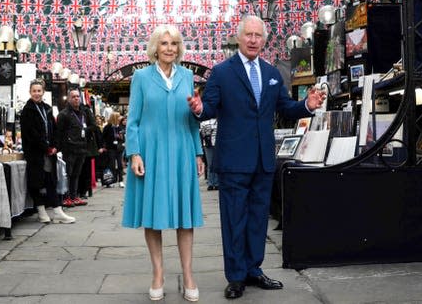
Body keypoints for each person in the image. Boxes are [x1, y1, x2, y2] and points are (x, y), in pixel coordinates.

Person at [187, 15, 326, 300]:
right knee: (234, 220)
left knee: (257, 219)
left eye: (257, 36)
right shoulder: (222, 72)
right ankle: (236, 277)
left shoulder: (272, 72)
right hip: (233, 162)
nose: (252, 40)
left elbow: (285, 107)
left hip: (263, 161)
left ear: (264, 40)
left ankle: (254, 269)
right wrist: (200, 108)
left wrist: (307, 106)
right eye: (248, 35)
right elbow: (210, 108)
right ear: (239, 38)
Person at [122, 24, 205, 302]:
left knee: (185, 216)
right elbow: (132, 120)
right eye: (164, 43)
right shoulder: (141, 77)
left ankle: (188, 274)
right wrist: (134, 153)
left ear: (179, 48)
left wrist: (197, 153)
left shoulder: (188, 75)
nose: (169, 48)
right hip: (151, 151)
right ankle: (158, 273)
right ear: (155, 48)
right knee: (153, 216)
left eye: (174, 43)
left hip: (182, 150)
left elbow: (193, 119)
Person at [20, 79, 75, 224]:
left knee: (51, 181)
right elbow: (30, 134)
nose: (37, 93)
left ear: (43, 92)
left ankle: (57, 211)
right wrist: (46, 147)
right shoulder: (27, 110)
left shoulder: (47, 108)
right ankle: (42, 211)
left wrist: (56, 146)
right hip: (35, 153)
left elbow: (55, 129)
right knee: (36, 183)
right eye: (34, 91)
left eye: (39, 91)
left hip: (49, 153)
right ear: (30, 92)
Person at [56, 88, 96, 207]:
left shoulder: (83, 113)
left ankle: (74, 196)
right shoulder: (64, 114)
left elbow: (91, 127)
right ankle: (66, 197)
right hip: (69, 149)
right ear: (68, 99)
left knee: (76, 174)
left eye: (78, 96)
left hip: (81, 148)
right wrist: (60, 148)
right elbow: (59, 133)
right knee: (67, 174)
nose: (76, 99)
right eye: (73, 97)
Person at [102, 112, 125, 188]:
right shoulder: (107, 127)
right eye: (118, 117)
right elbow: (103, 138)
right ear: (114, 118)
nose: (120, 119)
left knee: (120, 165)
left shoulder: (120, 127)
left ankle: (121, 180)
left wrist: (122, 141)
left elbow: (123, 138)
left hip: (119, 148)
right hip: (110, 148)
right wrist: (104, 146)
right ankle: (111, 181)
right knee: (111, 165)